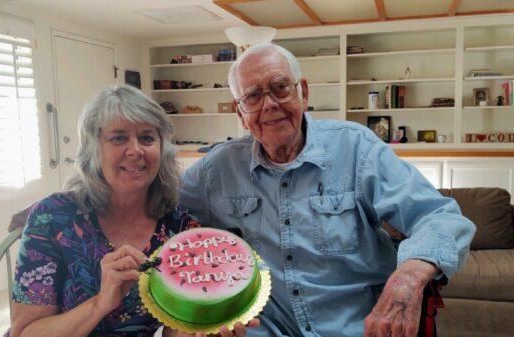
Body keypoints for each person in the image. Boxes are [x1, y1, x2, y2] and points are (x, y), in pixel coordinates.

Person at [179, 43, 476, 337]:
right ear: (240, 111)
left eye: (280, 87)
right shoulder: (216, 169)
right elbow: (158, 208)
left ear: (303, 93)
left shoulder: (356, 148)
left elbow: (440, 217)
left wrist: (410, 275)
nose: (268, 104)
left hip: (358, 328)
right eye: (253, 96)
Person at [9, 85, 257, 337]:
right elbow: (24, 333)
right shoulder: (53, 219)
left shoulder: (180, 231)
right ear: (93, 149)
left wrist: (203, 330)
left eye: (147, 138)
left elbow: (176, 330)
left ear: (162, 149)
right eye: (118, 138)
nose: (135, 150)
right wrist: (100, 303)